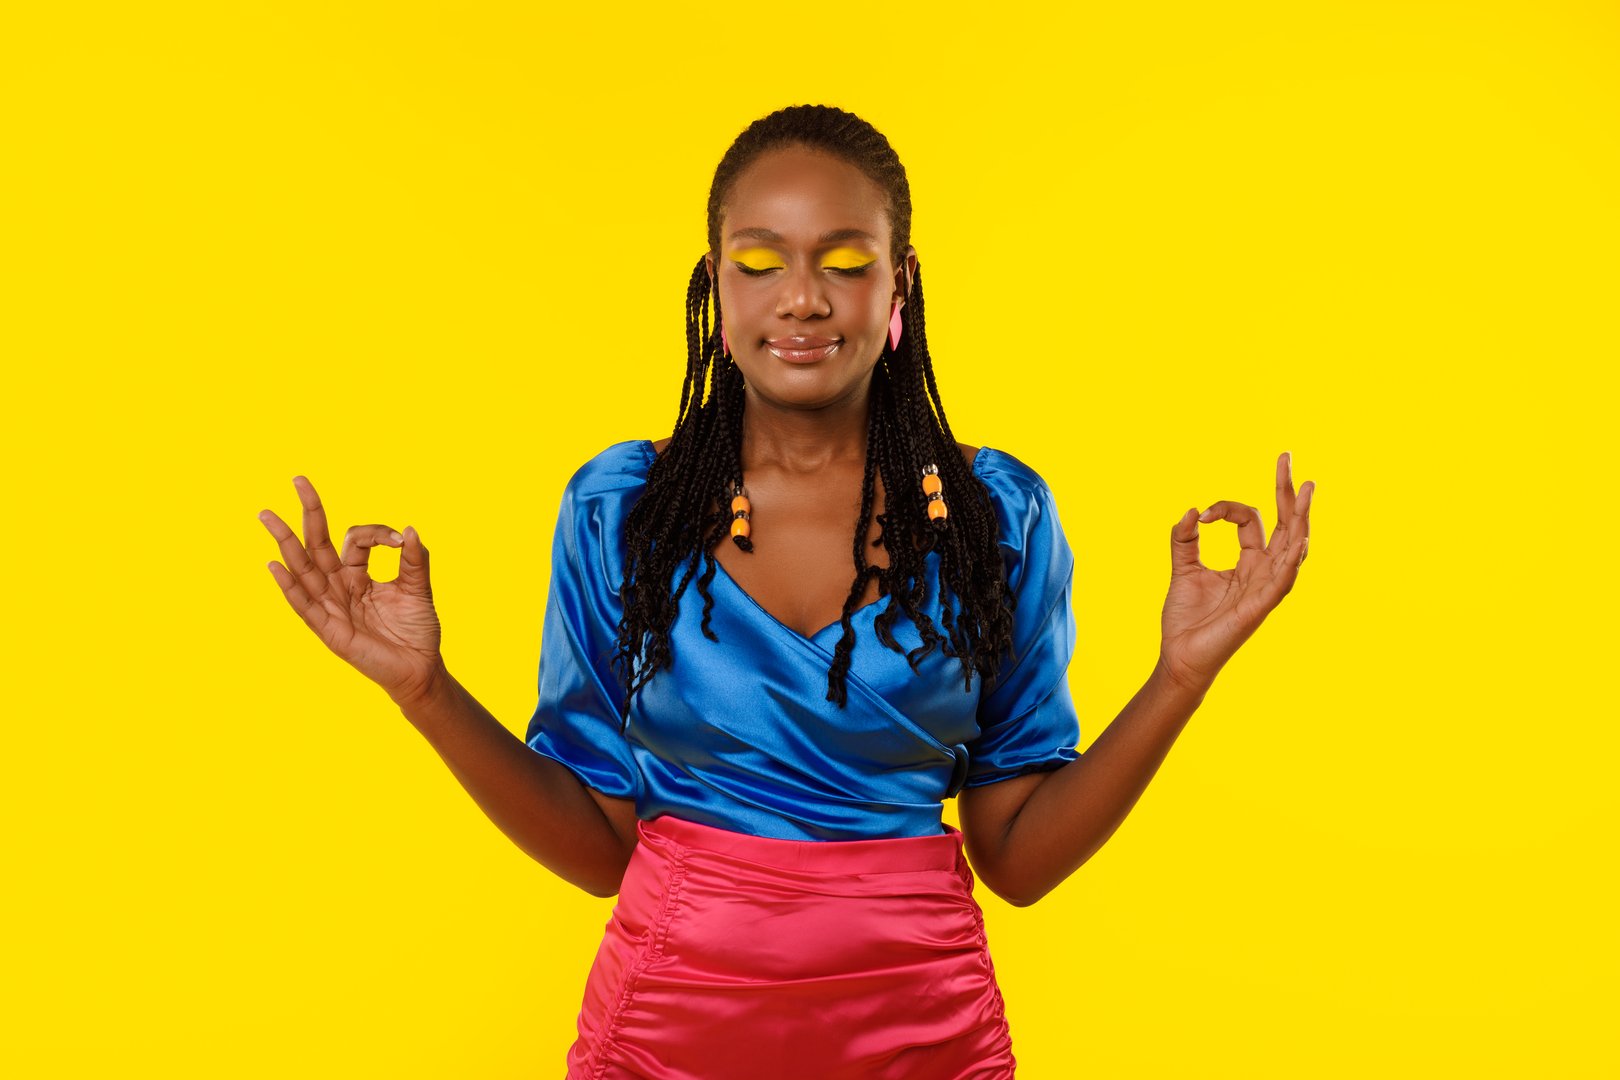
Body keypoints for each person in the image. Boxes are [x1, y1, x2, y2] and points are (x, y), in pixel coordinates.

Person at [258, 104, 1314, 1079]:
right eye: (760, 263)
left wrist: (1180, 675)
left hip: (925, 1038)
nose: (802, 297)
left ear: (898, 287)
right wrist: (424, 689)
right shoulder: (623, 508)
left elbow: (1019, 860)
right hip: (667, 1035)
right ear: (716, 289)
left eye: (844, 263)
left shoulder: (998, 515)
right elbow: (593, 846)